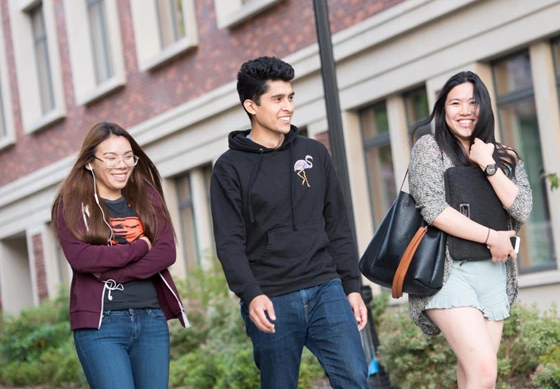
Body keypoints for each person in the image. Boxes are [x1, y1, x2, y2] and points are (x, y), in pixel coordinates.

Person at [211, 56, 369, 389]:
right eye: (278, 99)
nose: (289, 107)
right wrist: (251, 294)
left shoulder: (313, 153)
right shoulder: (229, 168)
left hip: (326, 287)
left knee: (355, 379)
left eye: (291, 97)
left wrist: (351, 287)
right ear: (251, 106)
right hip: (272, 297)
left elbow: (337, 224)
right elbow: (229, 241)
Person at [407, 71, 533, 389]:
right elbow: (434, 210)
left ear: (484, 107)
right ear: (443, 108)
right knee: (484, 370)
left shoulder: (505, 156)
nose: (465, 110)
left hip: (494, 275)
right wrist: (493, 237)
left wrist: (488, 164)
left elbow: (521, 209)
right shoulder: (430, 148)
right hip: (448, 272)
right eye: (455, 102)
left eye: (472, 102)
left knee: (477, 378)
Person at [51, 122, 189, 389]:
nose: (122, 164)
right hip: (102, 326)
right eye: (111, 157)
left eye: (128, 156)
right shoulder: (71, 205)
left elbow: (165, 251)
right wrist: (138, 248)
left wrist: (118, 272)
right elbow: (82, 258)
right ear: (90, 163)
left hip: (151, 319)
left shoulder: (146, 196)